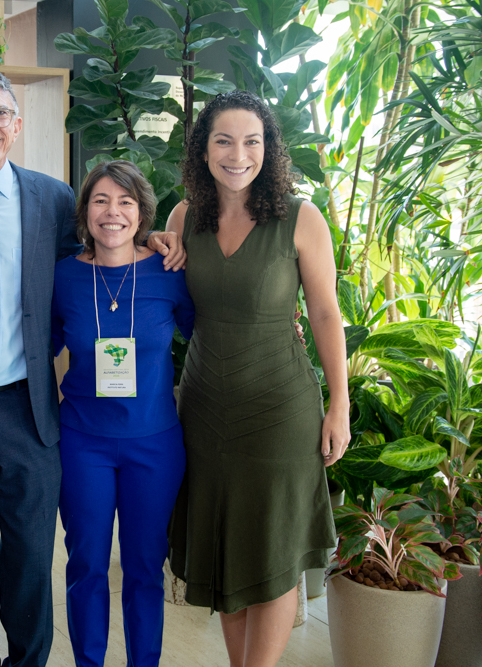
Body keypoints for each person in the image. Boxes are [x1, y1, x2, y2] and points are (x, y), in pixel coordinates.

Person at [0, 69, 185, 667]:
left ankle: (29, 660)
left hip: (27, 406)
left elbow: (104, 245)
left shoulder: (52, 199)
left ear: (17, 125)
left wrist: (154, 237)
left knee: (30, 554)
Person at [166, 90, 350, 667]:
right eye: (223, 140)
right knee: (228, 549)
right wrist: (150, 243)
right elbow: (160, 296)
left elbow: (324, 313)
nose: (238, 154)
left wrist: (339, 405)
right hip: (203, 408)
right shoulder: (182, 218)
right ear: (203, 149)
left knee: (272, 550)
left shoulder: (301, 217)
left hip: (280, 409)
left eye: (252, 141)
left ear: (269, 149)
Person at [52, 160, 194, 667]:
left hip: (154, 444)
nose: (112, 213)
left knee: (143, 569)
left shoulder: (170, 273)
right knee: (86, 563)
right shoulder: (63, 276)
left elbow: (208, 337)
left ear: (143, 214)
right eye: (100, 201)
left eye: (125, 202)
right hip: (83, 442)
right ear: (85, 211)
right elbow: (38, 348)